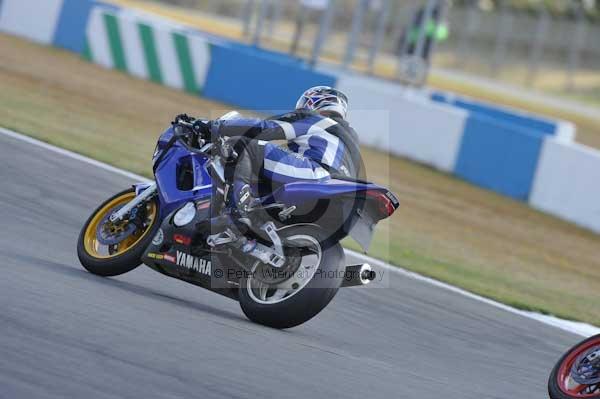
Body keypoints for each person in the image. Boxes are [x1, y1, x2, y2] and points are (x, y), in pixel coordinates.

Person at [209, 86, 363, 213]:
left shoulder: (317, 120)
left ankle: (236, 209)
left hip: (316, 175)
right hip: (334, 194)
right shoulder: (349, 140)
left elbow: (265, 129)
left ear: (314, 102)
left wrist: (215, 127)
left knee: (242, 146)